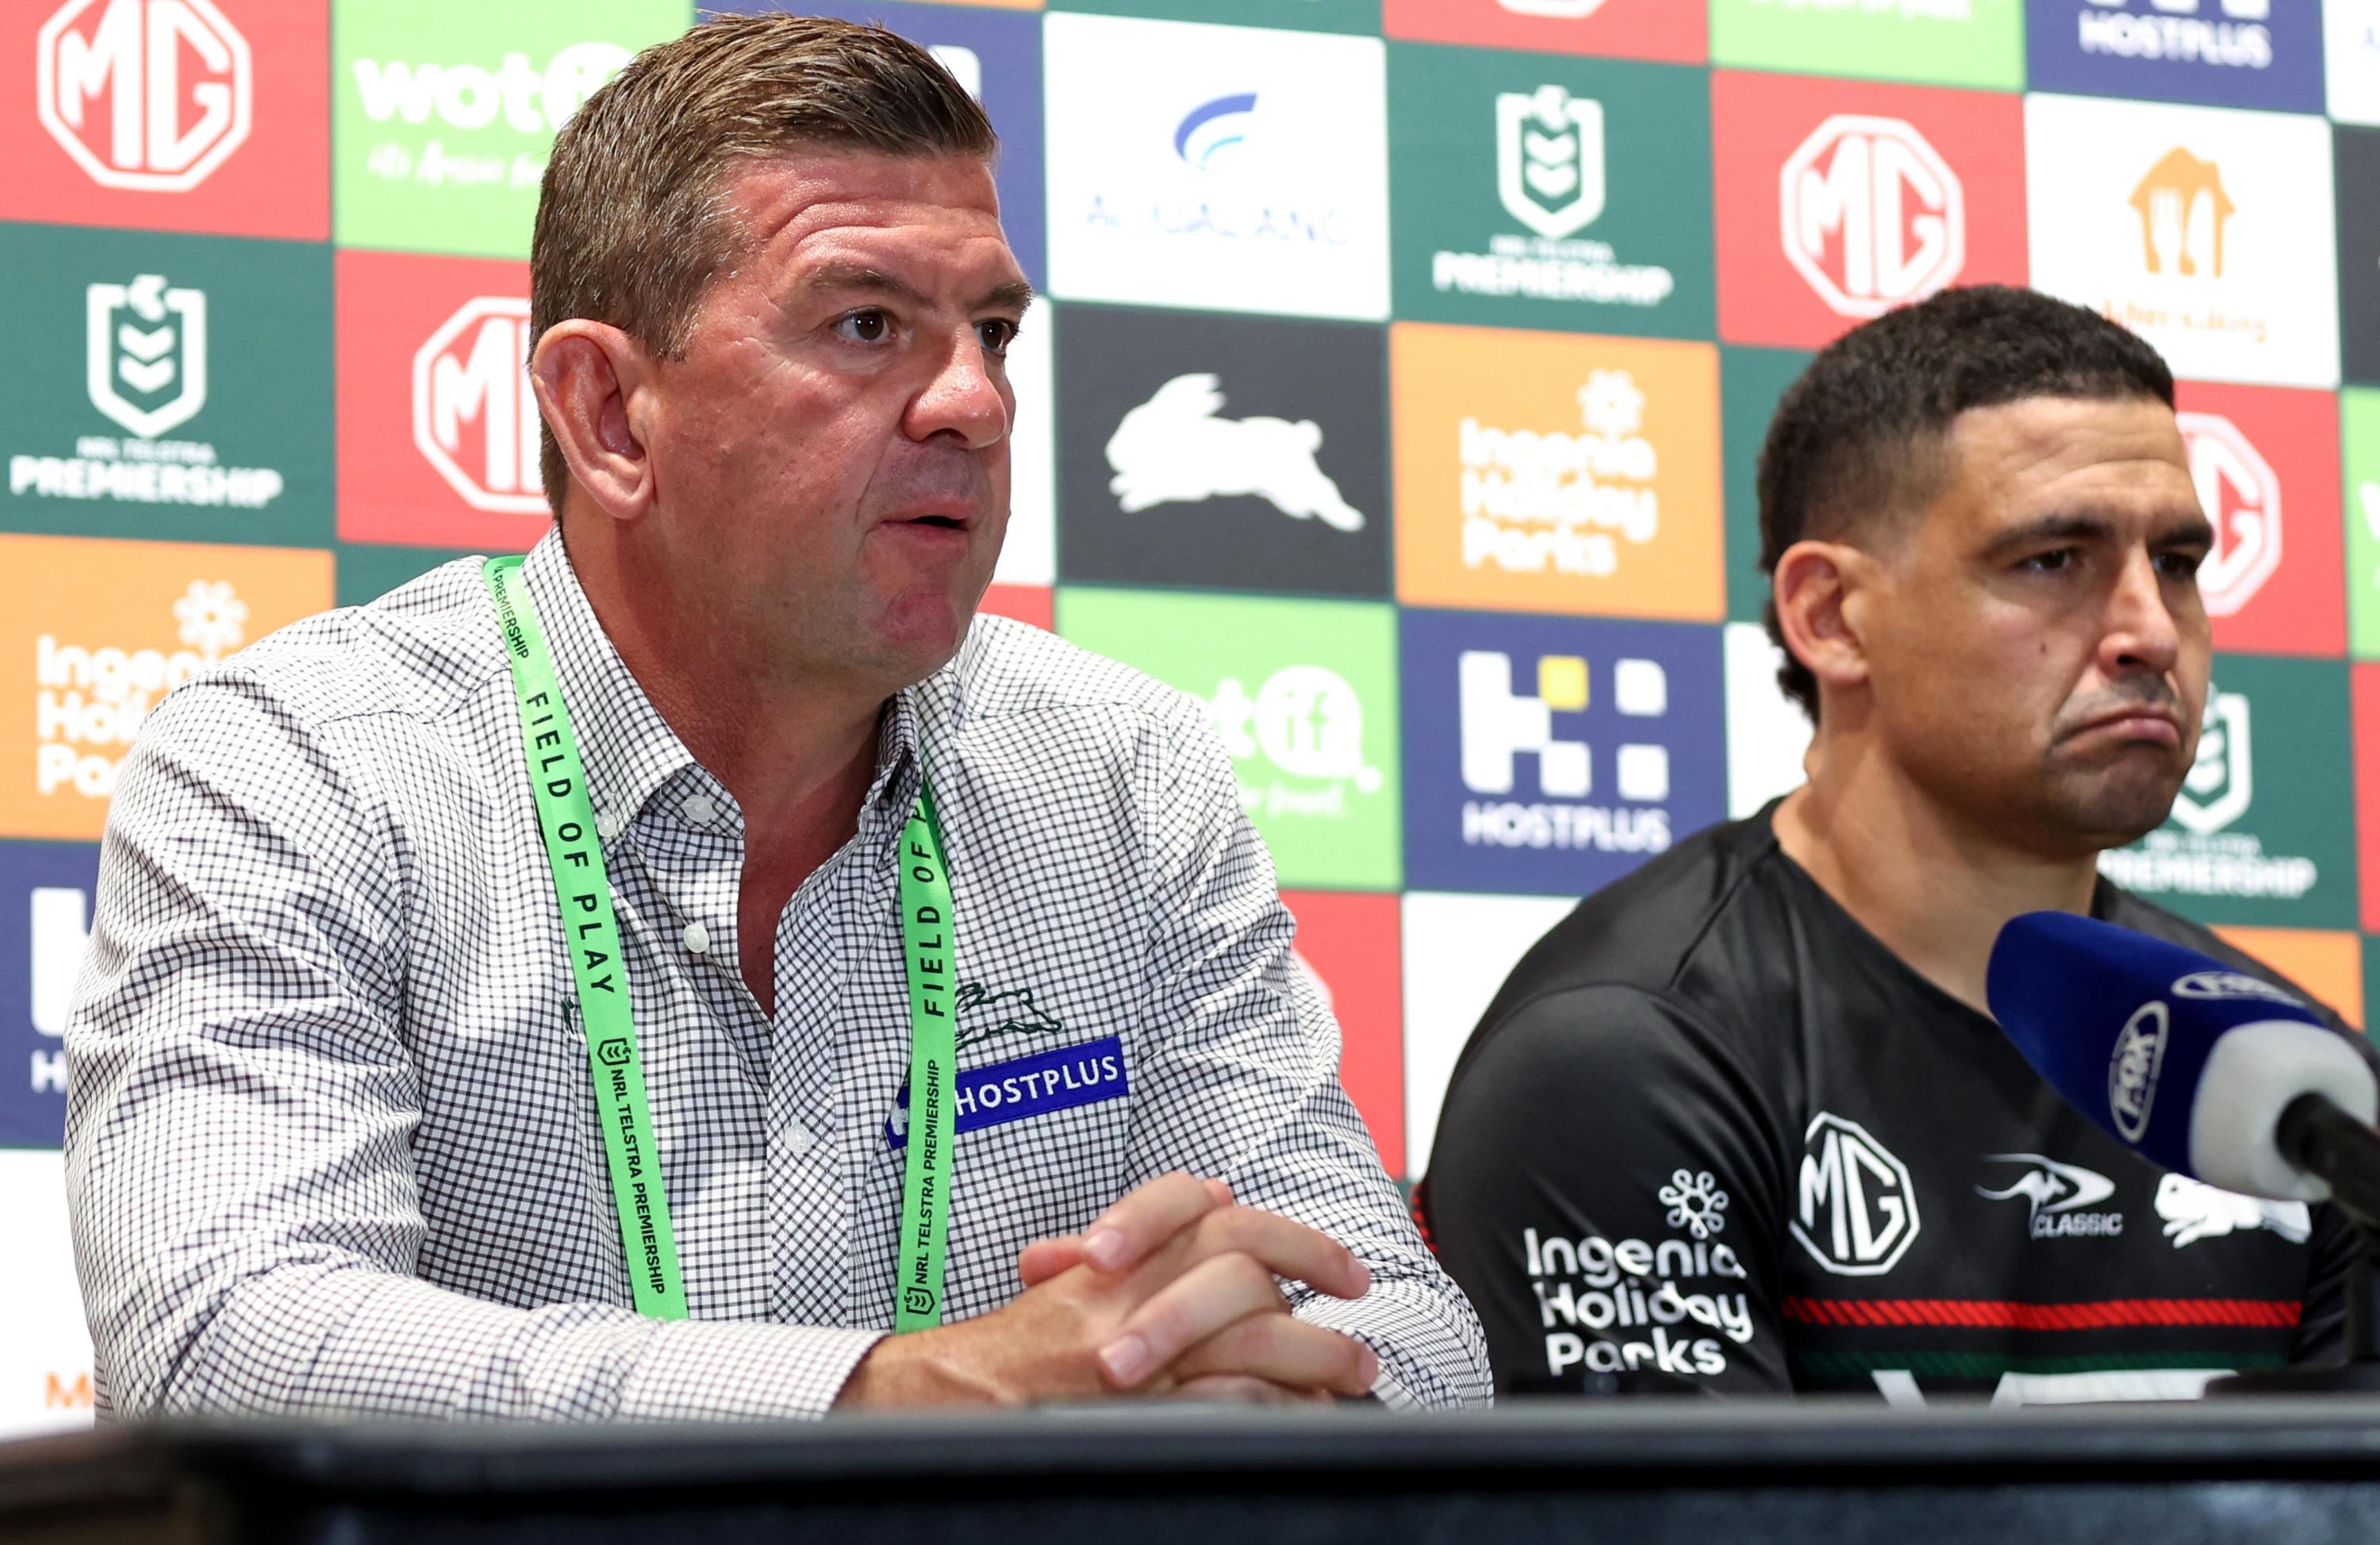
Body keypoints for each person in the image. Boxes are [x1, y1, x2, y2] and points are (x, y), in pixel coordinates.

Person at [64, 16, 1487, 1420]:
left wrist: (1249, 1401)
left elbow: (1408, 1332)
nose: (974, 405)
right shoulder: (295, 762)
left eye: (993, 332)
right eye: (866, 325)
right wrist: (887, 1400)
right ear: (610, 413)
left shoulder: (1125, 775)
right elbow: (223, 1340)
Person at [1417, 286, 2367, 1405]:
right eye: (2054, 559)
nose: (2151, 632)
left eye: (2176, 562)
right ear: (1829, 617)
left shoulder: (2287, 1079)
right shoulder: (1621, 1056)